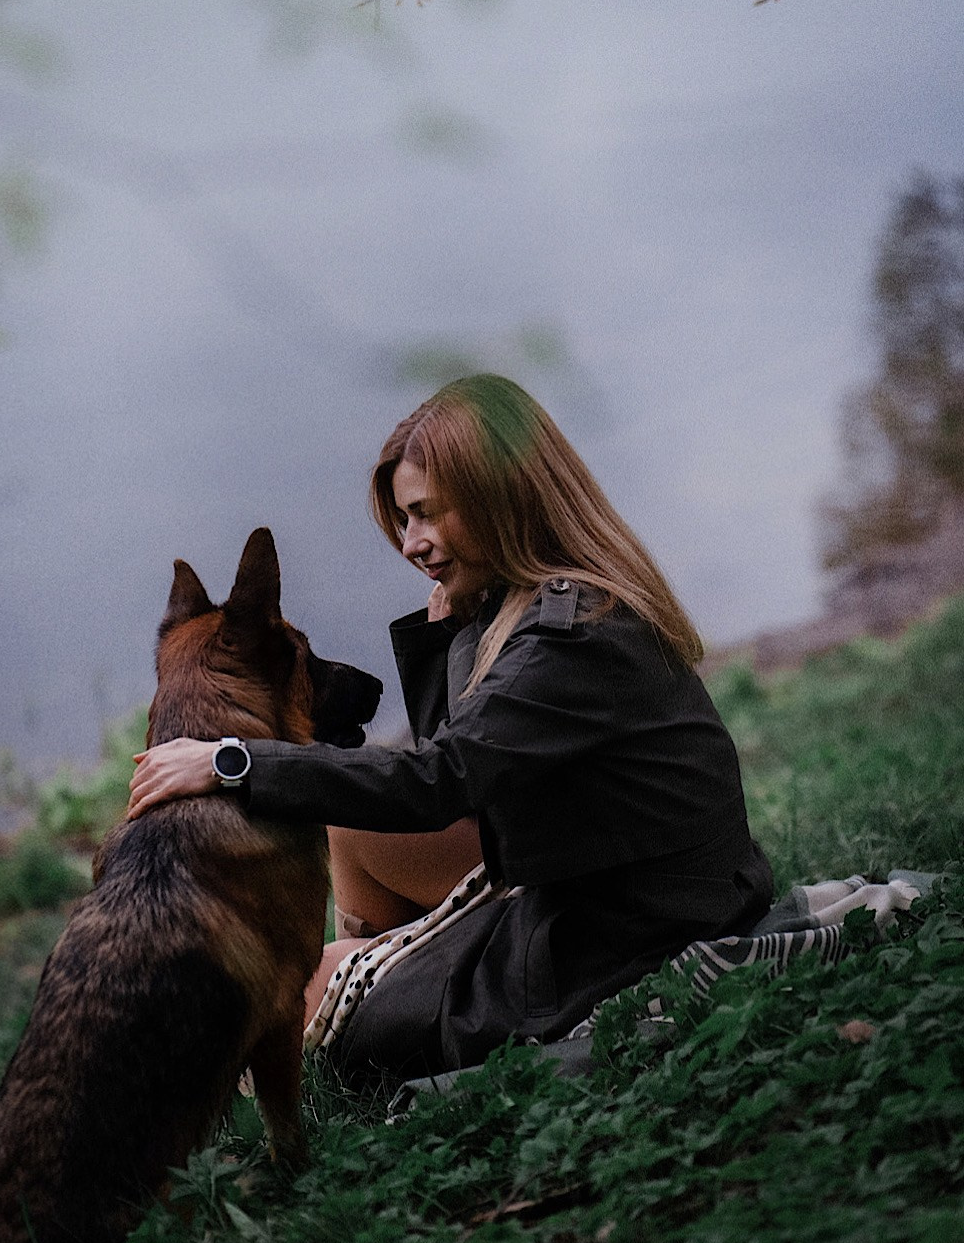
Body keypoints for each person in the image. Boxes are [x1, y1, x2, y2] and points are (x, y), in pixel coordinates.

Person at [127, 373, 773, 1082]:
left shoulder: (569, 638)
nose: (412, 544)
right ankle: (398, 967)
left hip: (625, 937)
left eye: (428, 515)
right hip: (595, 891)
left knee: (285, 1004)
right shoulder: (536, 603)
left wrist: (234, 764)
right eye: (406, 521)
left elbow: (439, 781)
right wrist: (455, 635)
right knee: (345, 824)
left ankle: (392, 983)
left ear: (502, 498)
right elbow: (469, 767)